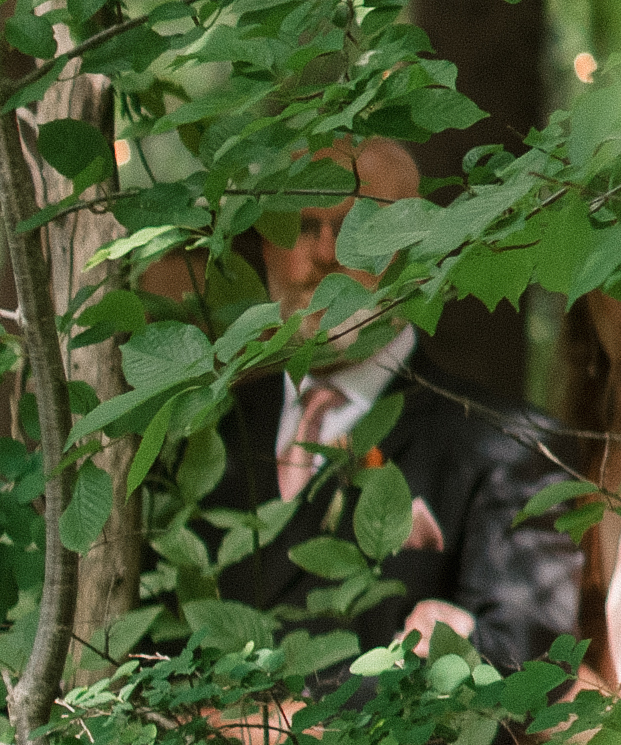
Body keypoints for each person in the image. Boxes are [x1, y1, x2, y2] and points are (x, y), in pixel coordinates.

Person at [202, 136, 578, 670]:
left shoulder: (510, 448)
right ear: (266, 247)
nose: (326, 254)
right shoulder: (207, 436)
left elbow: (524, 667)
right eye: (304, 225)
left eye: (361, 229)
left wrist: (303, 721)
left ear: (417, 256)